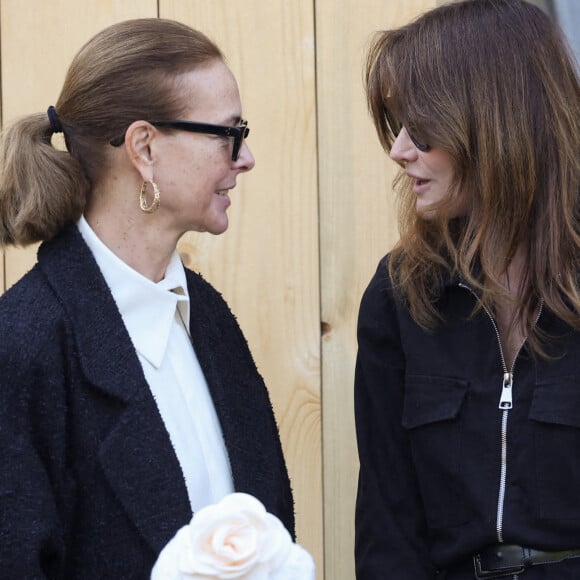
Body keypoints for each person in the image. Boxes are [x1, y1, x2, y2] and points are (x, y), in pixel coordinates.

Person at [0, 18, 294, 578]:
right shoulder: (24, 344)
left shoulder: (207, 317)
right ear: (144, 148)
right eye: (227, 132)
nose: (245, 157)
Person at [354, 0, 579, 578]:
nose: (399, 149)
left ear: (494, 118)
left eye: (420, 126)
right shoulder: (401, 294)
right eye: (396, 124)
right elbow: (388, 528)